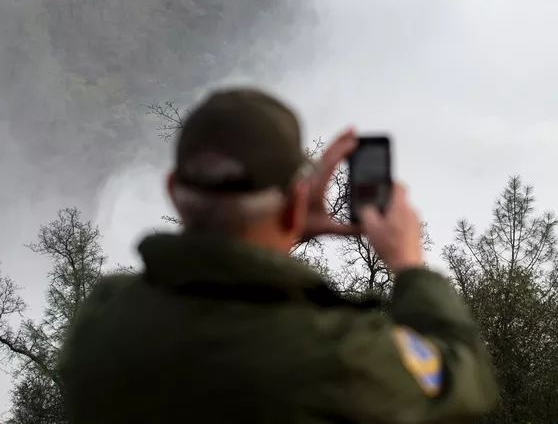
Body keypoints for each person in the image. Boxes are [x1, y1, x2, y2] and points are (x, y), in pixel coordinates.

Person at [58, 88, 498, 424]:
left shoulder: (101, 324)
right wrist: (408, 265)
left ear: (174, 191)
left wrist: (282, 228)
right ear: (292, 203)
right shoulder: (336, 353)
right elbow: (463, 380)